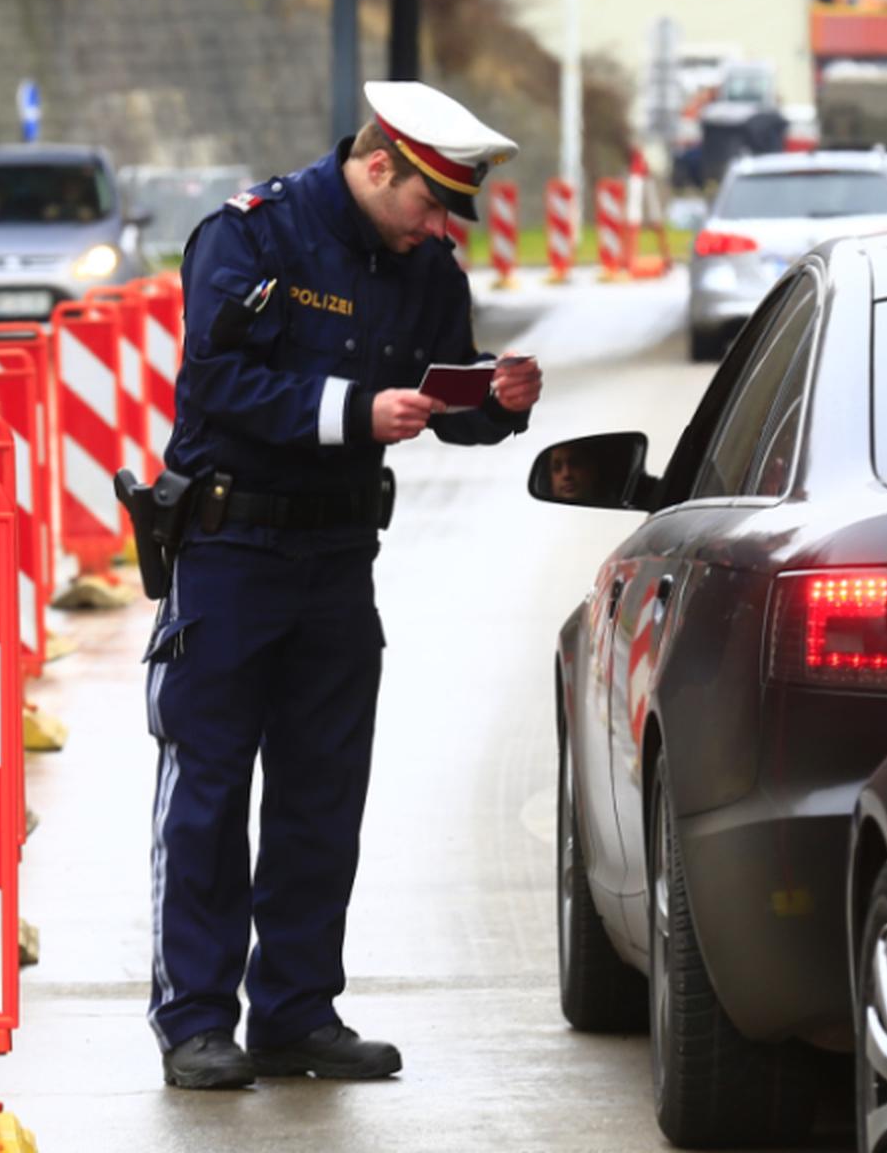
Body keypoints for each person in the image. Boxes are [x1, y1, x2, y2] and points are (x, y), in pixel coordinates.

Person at [143, 80, 543, 1090]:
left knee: (323, 796)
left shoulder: (426, 269)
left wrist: (497, 400)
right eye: (429, 202)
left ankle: (295, 1013)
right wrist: (354, 414)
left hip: (336, 561)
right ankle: (196, 1021)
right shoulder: (251, 237)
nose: (437, 227)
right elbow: (218, 383)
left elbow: (443, 392)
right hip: (230, 551)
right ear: (376, 166)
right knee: (209, 793)